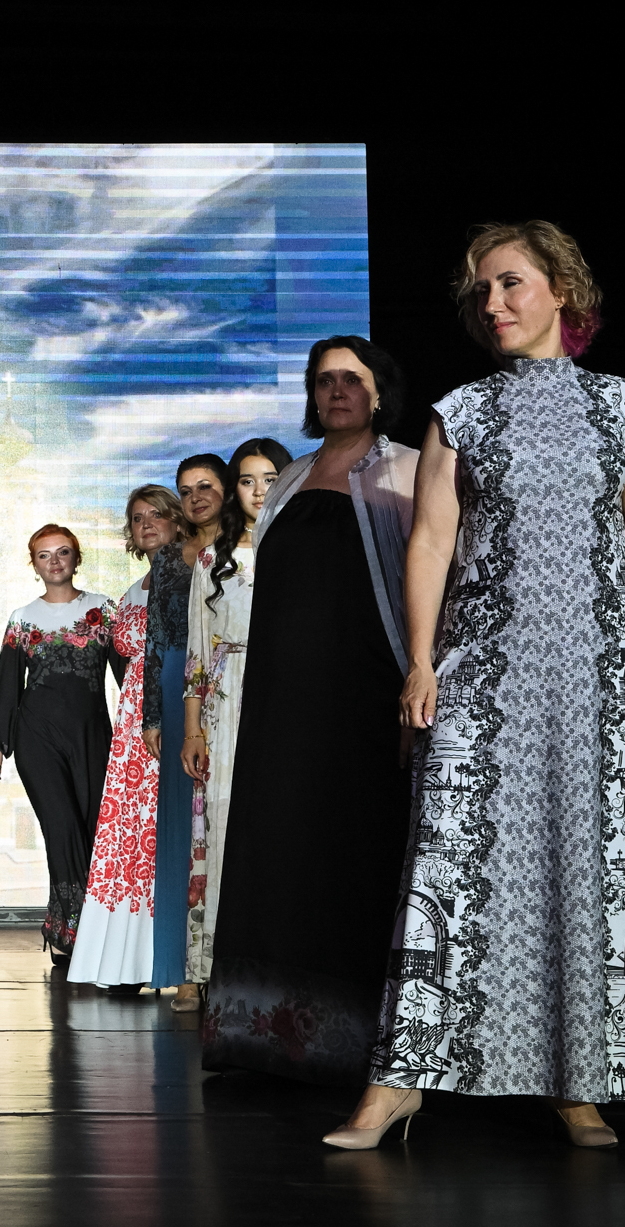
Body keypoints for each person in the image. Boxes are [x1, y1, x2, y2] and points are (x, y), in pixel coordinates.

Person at [331, 223, 625, 1150]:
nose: (492, 304)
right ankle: (399, 1081)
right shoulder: (462, 411)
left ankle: (579, 1082)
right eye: (481, 291)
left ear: (561, 290)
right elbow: (430, 542)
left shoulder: (623, 406)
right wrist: (421, 660)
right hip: (488, 671)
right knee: (449, 865)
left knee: (587, 864)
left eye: (510, 284)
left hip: (602, 670)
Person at [202, 335, 417, 1087]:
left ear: (380, 390)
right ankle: (263, 1036)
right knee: (277, 850)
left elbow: (428, 583)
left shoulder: (407, 468)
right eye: (324, 380)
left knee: (351, 851)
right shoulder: (291, 476)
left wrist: (416, 684)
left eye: (352, 378)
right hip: (281, 701)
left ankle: (357, 1045)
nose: (337, 391)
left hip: (364, 695)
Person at [176, 437, 292, 1011]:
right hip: (226, 703)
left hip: (288, 699)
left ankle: (279, 969)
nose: (259, 490)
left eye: (270, 478)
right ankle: (204, 969)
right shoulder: (211, 562)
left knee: (281, 827)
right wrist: (193, 730)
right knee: (219, 828)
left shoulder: (303, 550)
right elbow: (198, 653)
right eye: (247, 480)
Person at [0, 525, 127, 957]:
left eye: (63, 552)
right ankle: (77, 934)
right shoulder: (23, 618)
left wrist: (148, 726)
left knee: (94, 829)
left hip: (93, 737)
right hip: (37, 739)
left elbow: (128, 675)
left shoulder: (103, 610)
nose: (55, 561)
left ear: (76, 558)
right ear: (34, 565)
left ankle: (77, 925)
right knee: (61, 829)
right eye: (44, 555)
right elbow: (8, 683)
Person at [68, 486, 185, 987]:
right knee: (130, 832)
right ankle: (127, 961)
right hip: (134, 720)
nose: (147, 524)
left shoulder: (193, 574)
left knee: (168, 824)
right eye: (138, 518)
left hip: (175, 705)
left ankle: (176, 959)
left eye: (157, 514)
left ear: (178, 521)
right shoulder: (133, 591)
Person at [139, 457, 226, 992]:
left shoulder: (247, 547)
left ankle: (229, 964)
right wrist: (152, 714)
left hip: (232, 673)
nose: (195, 496)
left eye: (206, 486)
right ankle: (183, 970)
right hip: (176, 680)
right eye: (185, 489)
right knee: (180, 822)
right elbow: (154, 636)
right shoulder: (170, 557)